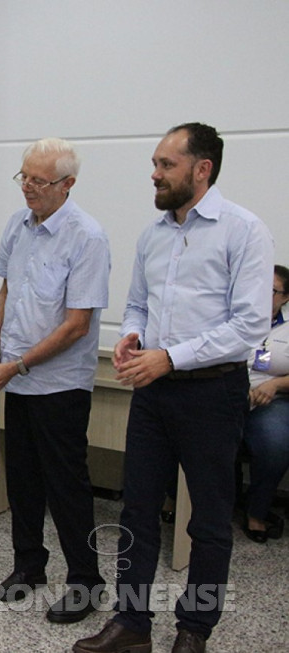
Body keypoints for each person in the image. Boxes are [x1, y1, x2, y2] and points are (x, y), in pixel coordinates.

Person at [74, 123, 274, 653]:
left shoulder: (244, 231)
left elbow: (249, 327)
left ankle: (194, 629)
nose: (155, 174)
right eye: (156, 164)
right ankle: (132, 624)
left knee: (208, 520)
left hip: (213, 392)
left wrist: (171, 357)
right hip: (154, 391)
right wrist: (134, 337)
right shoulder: (153, 234)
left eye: (166, 164)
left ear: (201, 169)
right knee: (137, 510)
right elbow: (138, 303)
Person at [0, 137, 110, 624]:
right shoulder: (18, 224)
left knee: (66, 486)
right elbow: (7, 289)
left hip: (60, 385)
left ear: (68, 184)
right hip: (18, 379)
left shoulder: (87, 237)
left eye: (39, 180)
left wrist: (18, 364)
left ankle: (86, 582)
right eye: (24, 177)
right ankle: (29, 565)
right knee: (24, 480)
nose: (28, 188)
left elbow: (76, 324)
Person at [240, 264, 289, 543]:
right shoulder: (234, 317)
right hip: (229, 394)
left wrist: (275, 384)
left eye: (271, 291)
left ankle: (256, 512)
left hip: (272, 399)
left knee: (274, 442)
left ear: (285, 297)